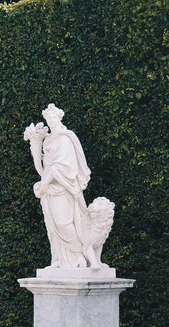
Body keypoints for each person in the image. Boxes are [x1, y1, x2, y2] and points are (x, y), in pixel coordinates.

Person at [28, 104, 99, 268]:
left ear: (59, 118)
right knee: (53, 228)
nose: (50, 121)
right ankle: (60, 260)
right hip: (50, 191)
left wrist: (45, 182)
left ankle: (80, 254)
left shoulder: (65, 138)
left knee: (63, 223)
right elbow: (44, 169)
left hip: (64, 188)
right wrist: (35, 146)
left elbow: (63, 167)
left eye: (53, 117)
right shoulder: (49, 140)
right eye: (48, 118)